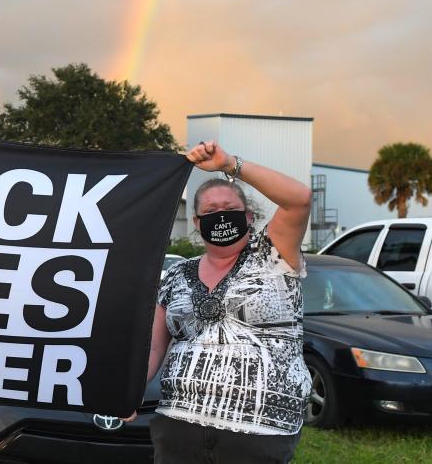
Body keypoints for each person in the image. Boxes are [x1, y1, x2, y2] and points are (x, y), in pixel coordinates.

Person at [127, 141, 312, 464]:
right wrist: (128, 391)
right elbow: (154, 348)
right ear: (197, 223)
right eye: (210, 212)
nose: (221, 216)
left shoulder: (274, 254)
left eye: (229, 208)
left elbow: (299, 199)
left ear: (249, 216)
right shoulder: (177, 274)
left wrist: (229, 165)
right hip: (179, 422)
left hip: (260, 428)